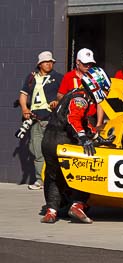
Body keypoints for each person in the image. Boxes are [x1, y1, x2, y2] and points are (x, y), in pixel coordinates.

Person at [40, 67, 115, 224]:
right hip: (62, 142)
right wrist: (84, 138)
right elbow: (73, 119)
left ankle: (51, 212)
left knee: (54, 176)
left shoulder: (73, 93)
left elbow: (82, 122)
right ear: (96, 85)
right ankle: (77, 205)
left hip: (48, 140)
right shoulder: (81, 98)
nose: (105, 93)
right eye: (105, 89)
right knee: (86, 170)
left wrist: (96, 136)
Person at [18, 51, 63, 190]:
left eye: (51, 62)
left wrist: (57, 101)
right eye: (46, 62)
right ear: (40, 64)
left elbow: (65, 95)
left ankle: (54, 180)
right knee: (36, 150)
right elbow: (23, 95)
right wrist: (25, 109)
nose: (49, 64)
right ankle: (40, 180)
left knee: (52, 151)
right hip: (36, 120)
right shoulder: (31, 78)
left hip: (52, 120)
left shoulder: (58, 77)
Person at [57, 48, 105, 128]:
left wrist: (99, 124)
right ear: (77, 62)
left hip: (90, 119)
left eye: (90, 63)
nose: (88, 66)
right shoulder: (69, 76)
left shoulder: (96, 78)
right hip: (72, 118)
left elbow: (101, 102)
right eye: (85, 63)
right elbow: (60, 95)